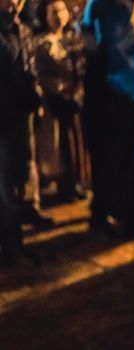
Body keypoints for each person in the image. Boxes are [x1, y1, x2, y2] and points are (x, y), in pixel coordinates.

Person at [82, 0, 134, 234]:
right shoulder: (104, 5)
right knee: (111, 156)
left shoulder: (133, 5)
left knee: (128, 153)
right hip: (109, 94)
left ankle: (125, 211)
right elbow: (108, 50)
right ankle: (116, 214)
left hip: (127, 90)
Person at [0, 0, 42, 265]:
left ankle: (15, 244)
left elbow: (23, 68)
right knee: (3, 189)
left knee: (15, 181)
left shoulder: (16, 27)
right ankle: (12, 248)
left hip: (15, 116)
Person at [34, 0, 88, 202]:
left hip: (74, 100)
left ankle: (76, 182)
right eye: (53, 12)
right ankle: (64, 185)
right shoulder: (41, 43)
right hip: (54, 102)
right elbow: (40, 74)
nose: (59, 16)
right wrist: (58, 87)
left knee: (76, 142)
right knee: (60, 146)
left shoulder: (72, 40)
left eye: (61, 10)